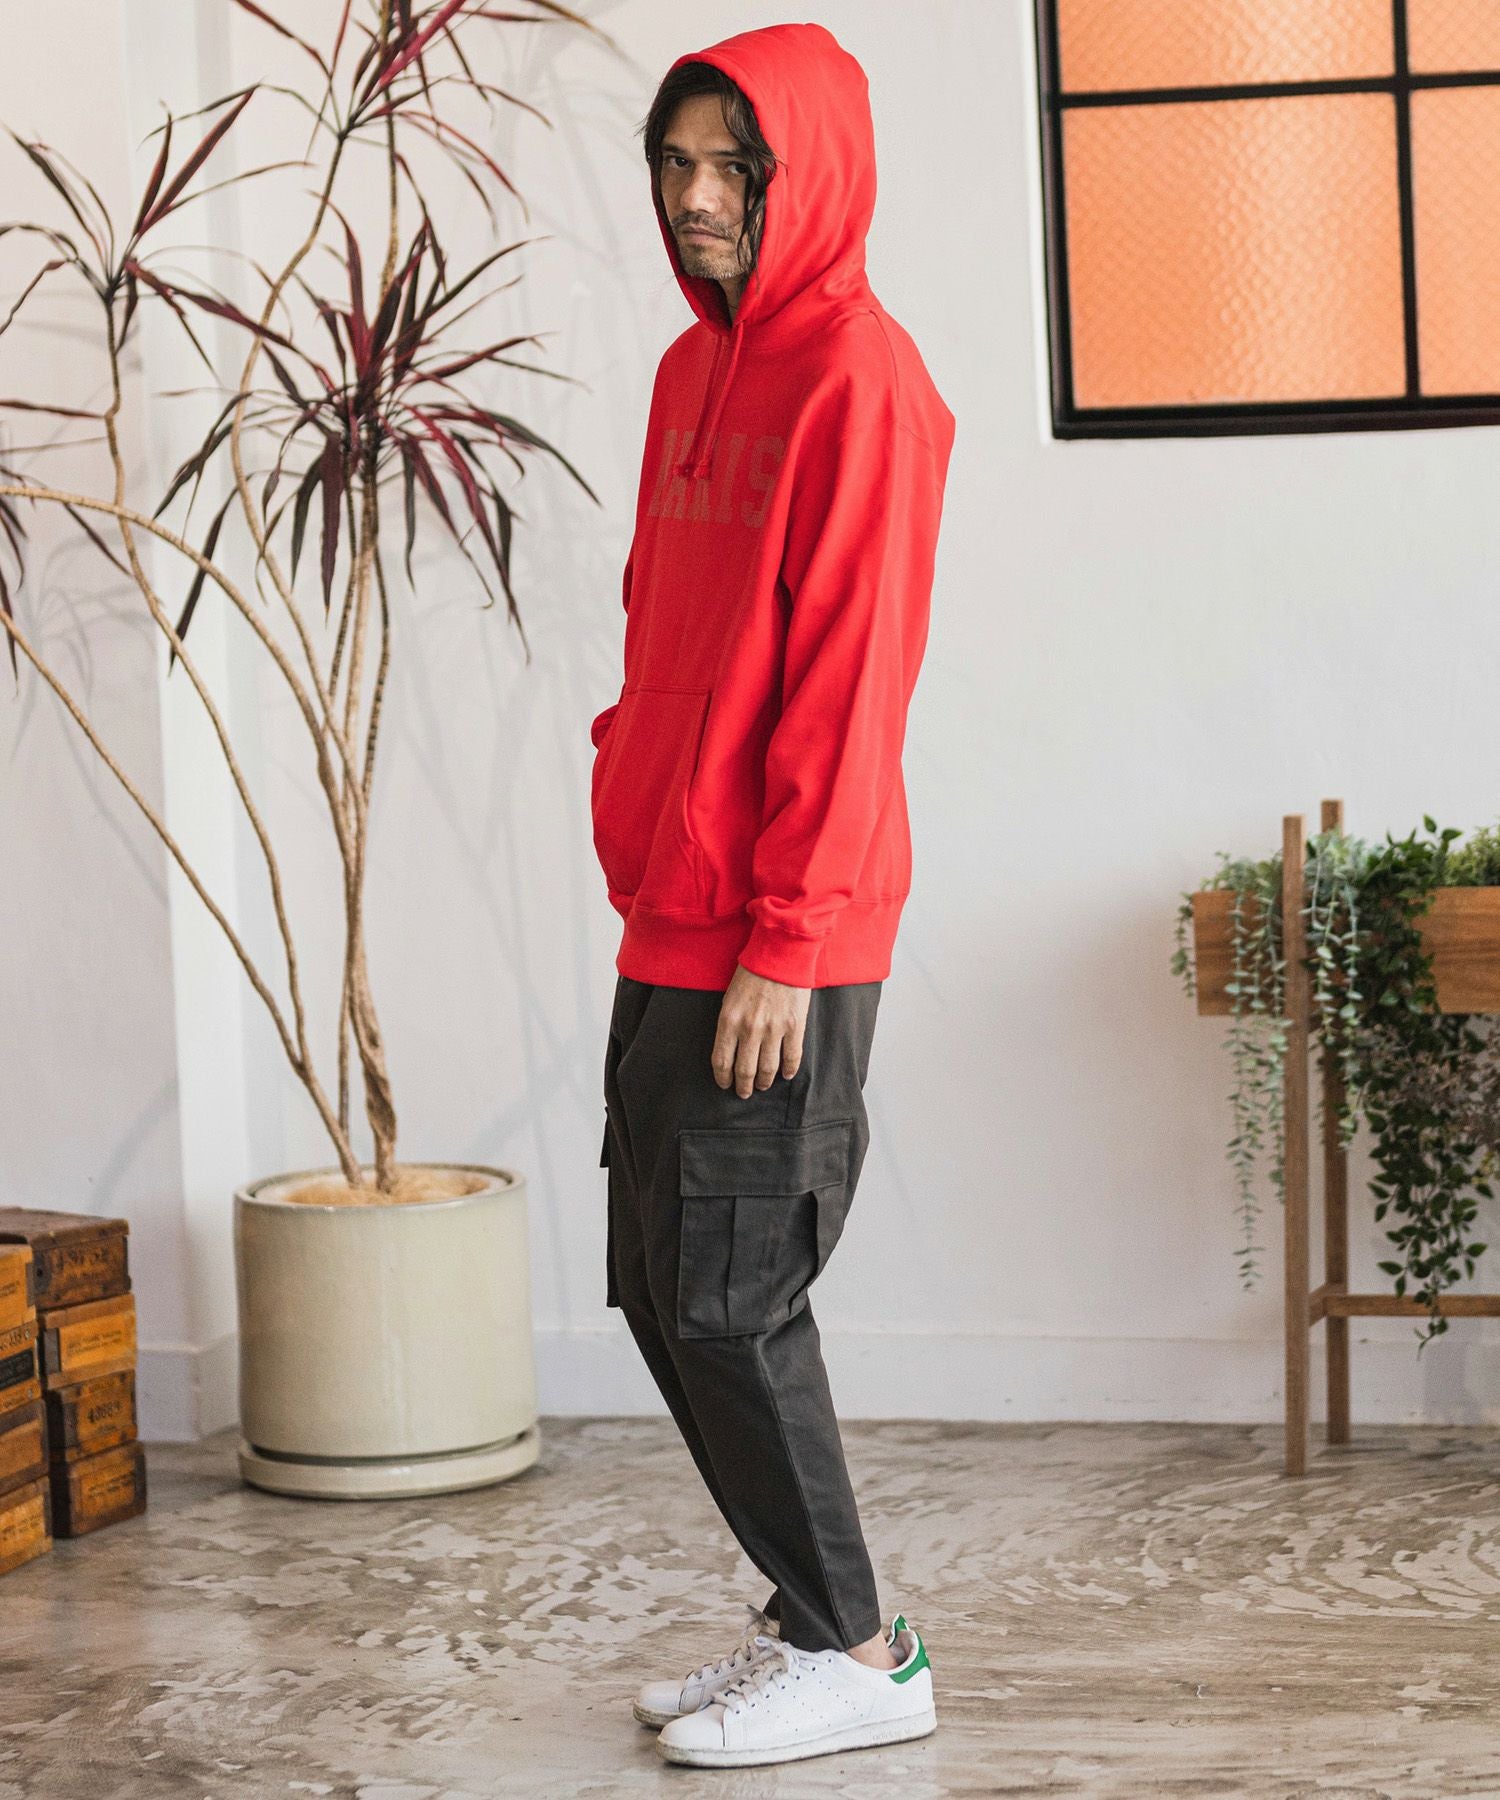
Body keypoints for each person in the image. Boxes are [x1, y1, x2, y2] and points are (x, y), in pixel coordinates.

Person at [590, 20, 955, 1771]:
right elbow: (663, 627)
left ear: (809, 176)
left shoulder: (862, 380)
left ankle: (866, 1653)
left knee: (737, 1297)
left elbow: (850, 683)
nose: (699, 196)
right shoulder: (688, 372)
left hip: (778, 929)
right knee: (662, 1288)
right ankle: (807, 1618)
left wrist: (791, 942)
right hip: (673, 904)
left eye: (736, 165)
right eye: (676, 162)